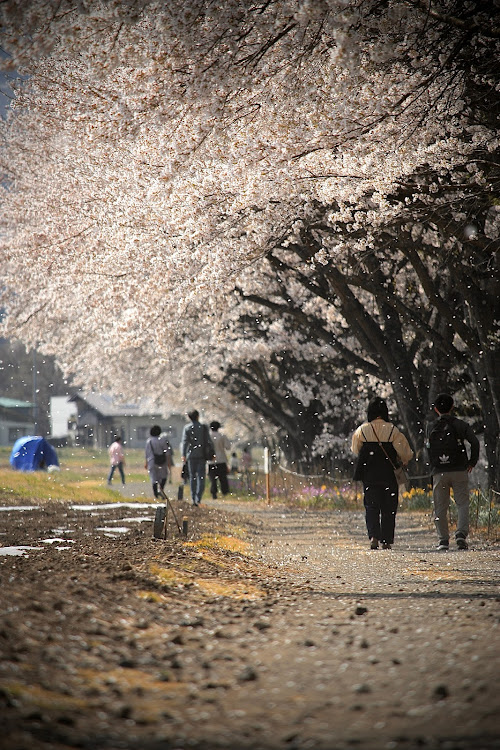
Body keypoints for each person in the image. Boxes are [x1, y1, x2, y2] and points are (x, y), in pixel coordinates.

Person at [351, 397, 413, 550]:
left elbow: (355, 449)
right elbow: (406, 453)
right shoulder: (392, 430)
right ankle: (386, 540)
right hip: (388, 475)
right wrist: (403, 460)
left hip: (370, 474)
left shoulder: (362, 430)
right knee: (388, 507)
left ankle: (374, 536)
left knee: (371, 507)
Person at [427, 393, 480, 551]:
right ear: (452, 407)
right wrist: (472, 462)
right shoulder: (460, 425)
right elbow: (475, 442)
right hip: (459, 469)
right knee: (462, 503)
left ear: (436, 409)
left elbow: (426, 449)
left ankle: (443, 540)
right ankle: (460, 535)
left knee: (440, 507)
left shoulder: (431, 427)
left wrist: (432, 466)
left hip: (439, 471)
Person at [181, 409, 215, 506]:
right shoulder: (203, 427)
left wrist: (183, 454)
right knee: (201, 477)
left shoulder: (187, 428)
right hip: (202, 455)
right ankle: (198, 498)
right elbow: (209, 441)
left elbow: (184, 442)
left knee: (192, 477)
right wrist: (213, 453)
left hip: (191, 456)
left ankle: (193, 498)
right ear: (197, 416)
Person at [145, 425, 172, 499]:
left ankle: (155, 494)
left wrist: (146, 463)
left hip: (151, 461)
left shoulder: (149, 441)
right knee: (163, 477)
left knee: (154, 478)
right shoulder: (162, 440)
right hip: (162, 462)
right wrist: (169, 462)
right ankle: (161, 489)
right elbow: (167, 452)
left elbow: (147, 453)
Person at [208, 421, 231, 499]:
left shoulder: (208, 436)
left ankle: (214, 492)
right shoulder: (222, 436)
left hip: (211, 460)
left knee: (212, 478)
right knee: (223, 477)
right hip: (221, 459)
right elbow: (228, 447)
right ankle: (225, 492)